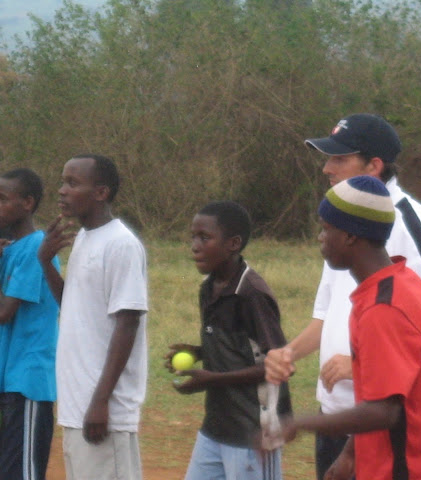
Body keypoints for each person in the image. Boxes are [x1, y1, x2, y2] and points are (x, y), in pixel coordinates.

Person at [265, 113, 421, 479]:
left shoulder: (406, 226)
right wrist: (289, 352)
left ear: (373, 166)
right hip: (338, 416)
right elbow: (327, 314)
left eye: (339, 158)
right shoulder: (344, 222)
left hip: (385, 434)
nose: (327, 168)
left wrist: (360, 364)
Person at [38, 154, 148, 480]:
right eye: (63, 182)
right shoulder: (85, 238)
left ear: (101, 192)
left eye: (73, 183)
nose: (62, 190)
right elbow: (73, 305)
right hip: (77, 404)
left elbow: (128, 323)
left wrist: (101, 402)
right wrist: (46, 262)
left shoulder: (121, 244)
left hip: (102, 409)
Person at [165, 200, 291, 480]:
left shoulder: (251, 294)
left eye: (204, 238)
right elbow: (240, 349)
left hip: (253, 434)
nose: (194, 246)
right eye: (193, 237)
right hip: (216, 428)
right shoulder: (209, 287)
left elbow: (278, 365)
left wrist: (212, 380)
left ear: (233, 244)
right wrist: (199, 352)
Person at [0, 168, 60, 480]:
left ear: (27, 203)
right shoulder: (10, 249)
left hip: (28, 381)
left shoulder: (37, 248)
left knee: (21, 473)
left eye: (2, 199)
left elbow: (4, 312)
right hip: (9, 379)